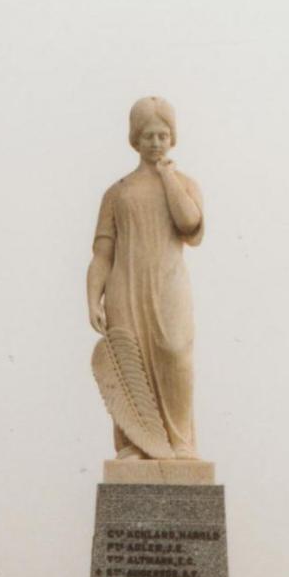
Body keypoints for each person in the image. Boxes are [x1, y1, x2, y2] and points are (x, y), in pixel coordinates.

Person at [87, 96, 204, 459]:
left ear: (173, 138)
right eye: (149, 136)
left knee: (175, 352)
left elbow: (189, 223)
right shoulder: (117, 193)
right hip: (125, 286)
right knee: (130, 361)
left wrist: (167, 175)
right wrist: (93, 298)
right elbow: (102, 254)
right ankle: (137, 442)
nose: (156, 142)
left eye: (163, 135)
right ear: (135, 139)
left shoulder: (184, 184)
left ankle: (180, 442)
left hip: (168, 282)